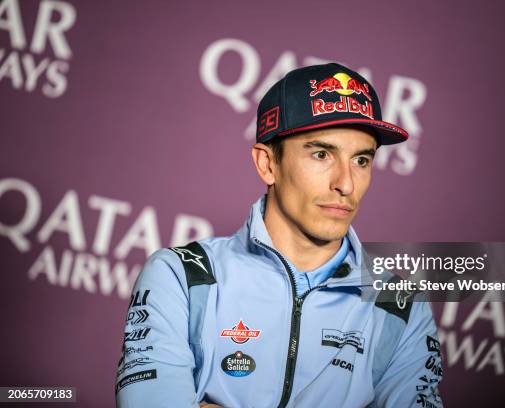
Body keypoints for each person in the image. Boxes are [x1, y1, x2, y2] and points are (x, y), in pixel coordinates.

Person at [115, 63, 443, 408]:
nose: (346, 184)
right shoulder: (181, 276)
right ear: (267, 164)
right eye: (321, 154)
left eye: (361, 160)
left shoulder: (401, 308)